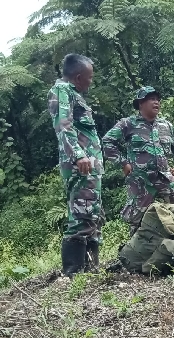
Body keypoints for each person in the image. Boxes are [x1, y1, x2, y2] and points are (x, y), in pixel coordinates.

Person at [102, 86, 174, 243]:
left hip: (164, 178)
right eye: (151, 99)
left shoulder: (166, 126)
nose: (156, 102)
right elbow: (107, 141)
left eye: (157, 99)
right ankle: (135, 256)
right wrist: (123, 163)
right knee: (137, 221)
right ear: (141, 104)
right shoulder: (128, 124)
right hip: (141, 181)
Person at [47, 53, 105, 277]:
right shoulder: (62, 91)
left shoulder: (73, 93)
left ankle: (90, 271)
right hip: (80, 166)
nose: (91, 82)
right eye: (90, 78)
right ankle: (74, 273)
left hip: (88, 168)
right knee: (81, 214)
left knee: (91, 213)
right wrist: (79, 155)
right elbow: (64, 125)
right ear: (79, 77)